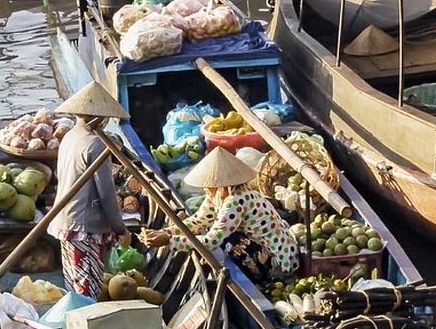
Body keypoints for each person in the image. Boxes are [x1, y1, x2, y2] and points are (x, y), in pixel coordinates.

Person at [139, 146, 298, 281]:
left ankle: (260, 278)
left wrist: (170, 241)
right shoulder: (217, 195)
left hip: (279, 260)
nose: (206, 189)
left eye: (210, 185)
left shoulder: (236, 201)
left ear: (222, 185)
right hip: (264, 246)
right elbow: (198, 221)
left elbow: (211, 241)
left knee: (228, 239)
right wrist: (165, 232)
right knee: (217, 232)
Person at [46, 81, 133, 299]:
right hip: (83, 227)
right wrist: (120, 228)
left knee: (74, 284)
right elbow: (106, 193)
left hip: (65, 221)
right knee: (87, 290)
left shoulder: (69, 137)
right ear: (98, 118)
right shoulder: (96, 144)